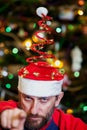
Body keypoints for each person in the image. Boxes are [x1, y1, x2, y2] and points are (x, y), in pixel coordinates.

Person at [0, 61, 87, 130]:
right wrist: (3, 115)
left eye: (44, 99)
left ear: (58, 99)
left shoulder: (72, 126)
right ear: (19, 95)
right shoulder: (7, 112)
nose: (34, 111)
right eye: (28, 98)